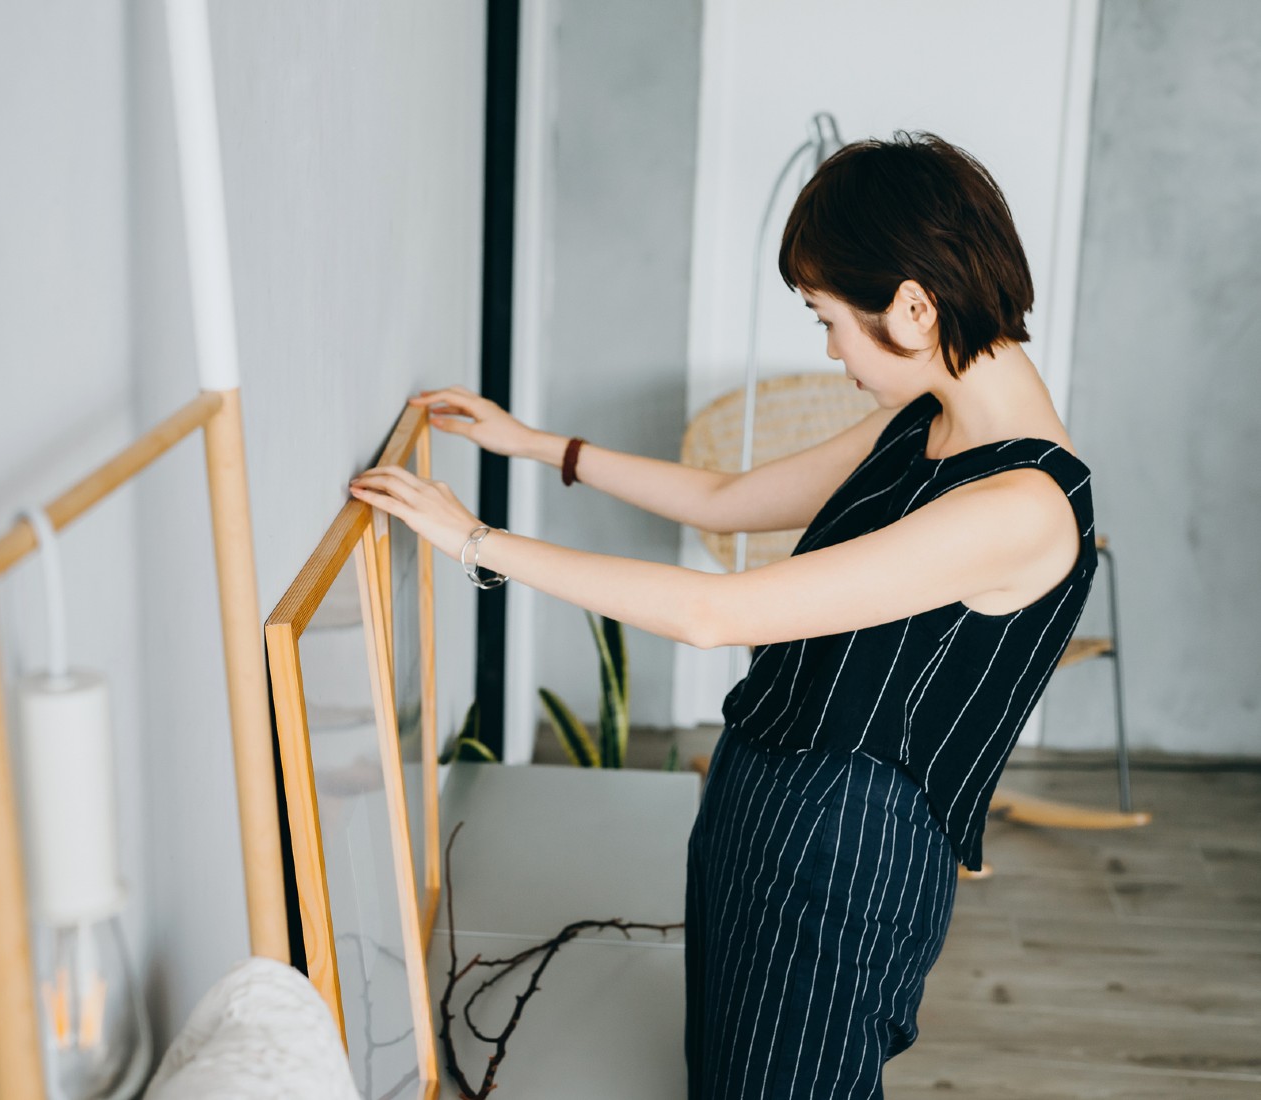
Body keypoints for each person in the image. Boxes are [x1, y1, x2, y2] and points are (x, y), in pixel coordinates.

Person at [348, 130, 1097, 1098]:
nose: (830, 350)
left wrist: (476, 541)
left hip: (847, 847)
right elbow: (726, 497)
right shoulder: (927, 412)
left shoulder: (1020, 504)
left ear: (914, 305)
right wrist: (535, 445)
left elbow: (715, 611)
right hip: (764, 790)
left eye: (829, 318)